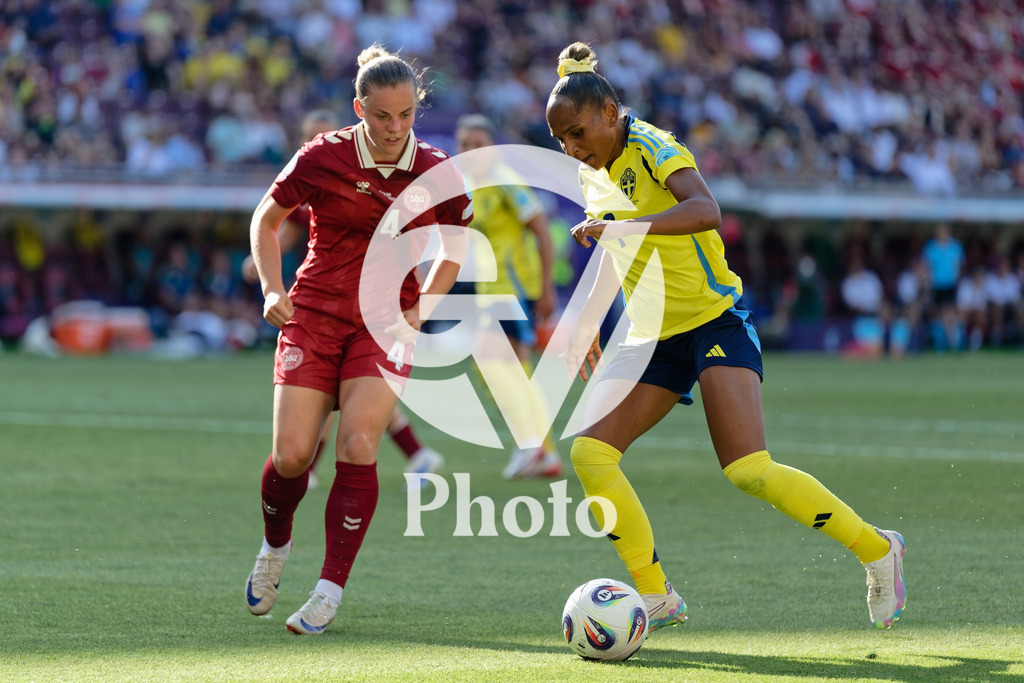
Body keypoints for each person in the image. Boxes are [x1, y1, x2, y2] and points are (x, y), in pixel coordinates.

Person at [545, 43, 906, 632]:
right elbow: (617, 246)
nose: (571, 147)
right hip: (653, 335)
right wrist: (587, 321)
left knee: (748, 469)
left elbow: (705, 210)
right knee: (591, 454)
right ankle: (657, 596)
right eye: (560, 139)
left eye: (577, 132)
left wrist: (625, 227)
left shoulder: (653, 146)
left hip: (714, 320)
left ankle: (877, 549)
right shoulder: (594, 172)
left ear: (610, 113)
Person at [245, 44, 471, 635]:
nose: (396, 128)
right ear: (359, 109)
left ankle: (328, 590)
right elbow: (266, 219)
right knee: (293, 456)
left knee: (359, 442)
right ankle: (274, 546)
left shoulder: (438, 170)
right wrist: (271, 288)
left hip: (386, 324)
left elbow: (457, 246)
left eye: (407, 115)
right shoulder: (323, 155)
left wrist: (423, 307)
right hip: (315, 314)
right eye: (382, 116)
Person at [242, 109, 445, 492]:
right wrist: (265, 271)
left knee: (349, 405)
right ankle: (416, 454)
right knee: (347, 401)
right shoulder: (315, 172)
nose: (320, 142)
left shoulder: (377, 172)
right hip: (324, 297)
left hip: (375, 307)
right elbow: (279, 226)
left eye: (325, 133)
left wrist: (420, 300)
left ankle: (319, 467)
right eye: (312, 136)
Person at [453, 113, 562, 479]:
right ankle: (543, 452)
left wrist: (546, 288)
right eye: (464, 144)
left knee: (488, 361)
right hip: (492, 290)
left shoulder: (504, 181)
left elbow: (542, 230)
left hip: (513, 288)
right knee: (512, 368)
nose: (471, 150)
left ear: (493, 148)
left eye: (478, 144)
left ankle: (533, 445)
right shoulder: (471, 187)